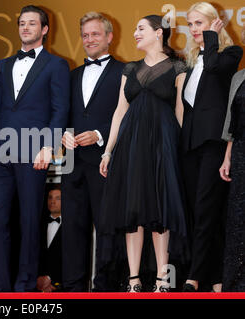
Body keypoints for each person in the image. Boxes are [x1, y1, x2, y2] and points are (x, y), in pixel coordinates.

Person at [0, 5, 70, 292]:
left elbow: (59, 109)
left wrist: (49, 145)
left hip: (34, 153)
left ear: (44, 29)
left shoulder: (56, 65)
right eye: (21, 23)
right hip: (2, 151)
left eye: (32, 23)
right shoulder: (3, 64)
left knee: (30, 220)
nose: (25, 27)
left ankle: (25, 287)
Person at [99, 15, 188, 292]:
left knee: (160, 210)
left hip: (163, 146)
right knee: (131, 210)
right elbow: (119, 111)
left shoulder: (178, 66)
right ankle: (134, 280)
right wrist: (108, 151)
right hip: (130, 147)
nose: (135, 33)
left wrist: (179, 151)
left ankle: (163, 279)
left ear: (158, 33)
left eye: (140, 28)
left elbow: (180, 112)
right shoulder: (130, 68)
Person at [60, 12, 125, 292]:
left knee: (107, 228)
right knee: (72, 228)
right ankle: (74, 289)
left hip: (105, 162)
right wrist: (61, 132)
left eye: (95, 34)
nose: (89, 40)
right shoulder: (71, 75)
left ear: (110, 37)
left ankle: (105, 289)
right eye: (85, 35)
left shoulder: (126, 72)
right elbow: (60, 113)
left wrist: (99, 134)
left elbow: (128, 116)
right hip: (72, 162)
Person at [180, 2, 243, 292]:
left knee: (206, 209)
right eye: (190, 24)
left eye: (199, 23)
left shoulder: (231, 53)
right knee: (204, 211)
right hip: (191, 145)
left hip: (215, 144)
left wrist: (212, 39)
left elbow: (218, 69)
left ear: (215, 24)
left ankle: (194, 277)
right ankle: (217, 278)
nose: (194, 29)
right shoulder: (194, 62)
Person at [219, 25, 245, 292]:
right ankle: (237, 284)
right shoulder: (239, 78)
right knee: (238, 221)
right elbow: (231, 124)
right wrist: (227, 158)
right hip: (240, 154)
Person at [37, 185, 63, 292]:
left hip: (60, 286)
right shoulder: (38, 224)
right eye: (50, 197)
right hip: (37, 285)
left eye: (58, 198)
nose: (52, 201)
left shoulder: (72, 228)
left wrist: (52, 280)